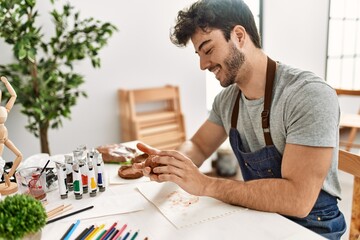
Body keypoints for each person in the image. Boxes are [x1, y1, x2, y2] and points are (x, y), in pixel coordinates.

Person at [133, 0, 346, 239]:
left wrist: (205, 184)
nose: (203, 64)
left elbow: (297, 199)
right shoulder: (227, 101)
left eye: (208, 49)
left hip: (311, 228)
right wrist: (170, 162)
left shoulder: (308, 94)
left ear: (239, 36)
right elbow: (200, 145)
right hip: (259, 216)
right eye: (199, 54)